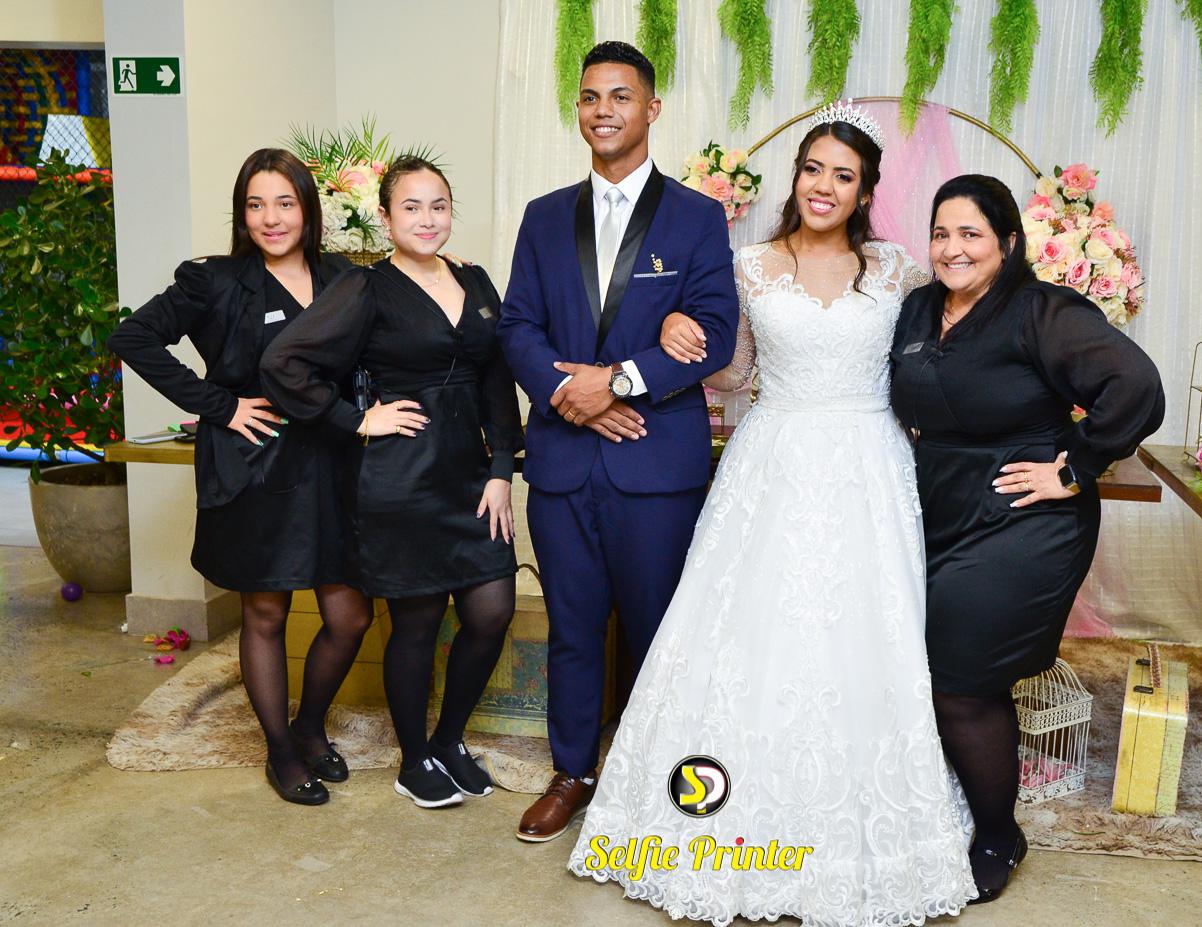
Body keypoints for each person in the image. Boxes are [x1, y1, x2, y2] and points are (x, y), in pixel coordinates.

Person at [568, 102, 979, 924]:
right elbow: (732, 373)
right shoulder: (750, 265)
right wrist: (680, 327)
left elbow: (937, 356)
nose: (824, 186)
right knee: (747, 631)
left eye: (843, 175)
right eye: (813, 168)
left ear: (865, 191)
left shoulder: (898, 270)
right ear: (797, 177)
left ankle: (860, 837)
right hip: (774, 459)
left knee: (866, 634)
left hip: (868, 466)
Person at [890, 174, 1165, 902]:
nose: (952, 249)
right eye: (941, 233)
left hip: (1025, 518)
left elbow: (1136, 385)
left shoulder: (1042, 311)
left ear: (1009, 242)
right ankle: (943, 804)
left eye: (971, 233)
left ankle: (996, 834)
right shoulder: (917, 308)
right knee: (919, 663)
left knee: (959, 679)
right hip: (937, 509)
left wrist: (1072, 468)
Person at [496, 41, 740, 843]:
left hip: (656, 466)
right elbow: (517, 327)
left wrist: (621, 381)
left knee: (657, 631)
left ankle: (650, 778)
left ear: (652, 108)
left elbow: (714, 334)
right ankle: (572, 772)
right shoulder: (542, 216)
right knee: (571, 629)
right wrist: (574, 396)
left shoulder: (697, 217)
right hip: (563, 464)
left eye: (621, 96)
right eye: (591, 97)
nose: (604, 110)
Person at [109, 148, 372, 806]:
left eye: (284, 202)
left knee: (350, 615)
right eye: (255, 205)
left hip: (333, 464)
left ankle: (309, 725)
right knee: (266, 611)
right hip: (256, 465)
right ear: (241, 214)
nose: (270, 218)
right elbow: (133, 337)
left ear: (308, 209)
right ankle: (280, 750)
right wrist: (220, 406)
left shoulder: (343, 275)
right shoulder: (216, 281)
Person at [260, 157, 523, 810]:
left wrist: (501, 470)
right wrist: (356, 419)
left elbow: (496, 377)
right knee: (418, 624)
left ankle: (450, 740)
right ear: (385, 217)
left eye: (439, 205)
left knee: (491, 611)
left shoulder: (474, 278)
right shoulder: (365, 287)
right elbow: (283, 361)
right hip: (402, 479)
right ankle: (415, 758)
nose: (427, 219)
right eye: (411, 207)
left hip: (471, 477)